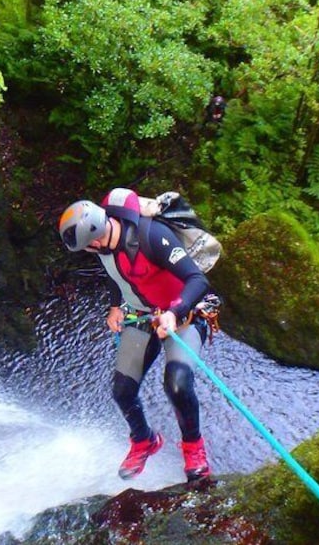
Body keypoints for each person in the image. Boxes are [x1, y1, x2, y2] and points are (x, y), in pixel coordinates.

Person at [58, 188, 213, 482]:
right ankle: (144, 440)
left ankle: (194, 447)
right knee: (122, 390)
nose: (89, 252)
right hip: (142, 314)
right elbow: (117, 274)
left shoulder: (151, 236)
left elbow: (197, 279)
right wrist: (115, 306)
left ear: (95, 238)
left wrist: (174, 312)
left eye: (87, 247)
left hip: (183, 314)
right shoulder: (103, 246)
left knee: (177, 384)